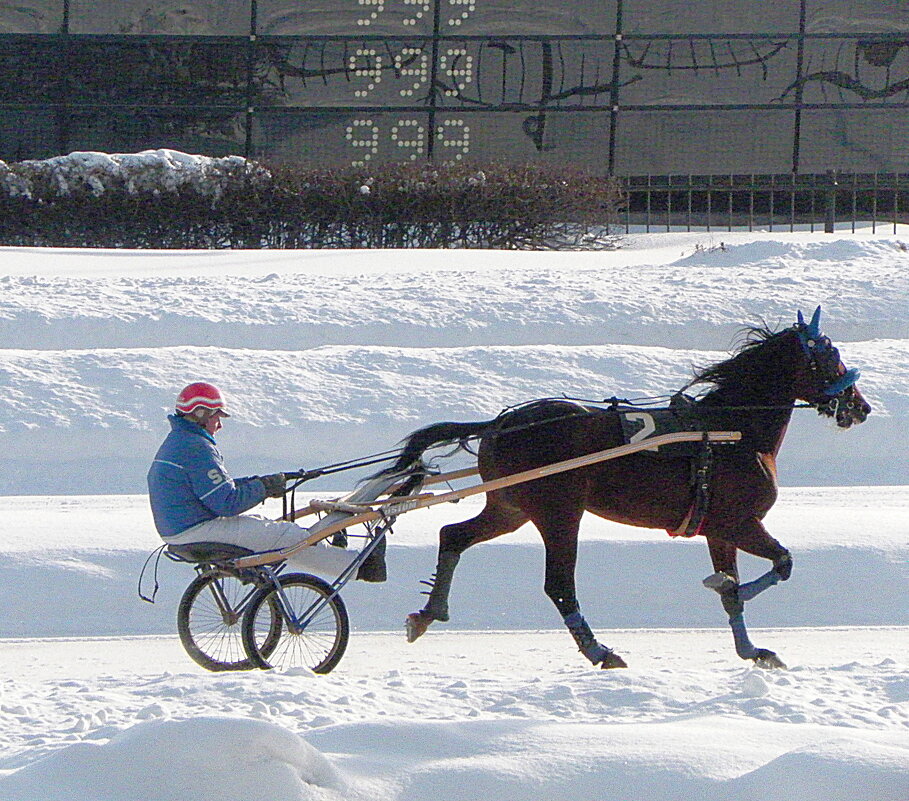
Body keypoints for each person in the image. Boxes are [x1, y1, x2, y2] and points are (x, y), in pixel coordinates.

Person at [147, 381, 385, 580]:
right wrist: (264, 488)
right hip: (196, 531)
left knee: (265, 525)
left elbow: (214, 489)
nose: (219, 424)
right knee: (287, 536)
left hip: (179, 531)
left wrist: (258, 482)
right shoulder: (197, 447)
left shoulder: (178, 442)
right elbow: (227, 504)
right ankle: (360, 567)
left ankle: (334, 556)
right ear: (200, 414)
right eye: (217, 417)